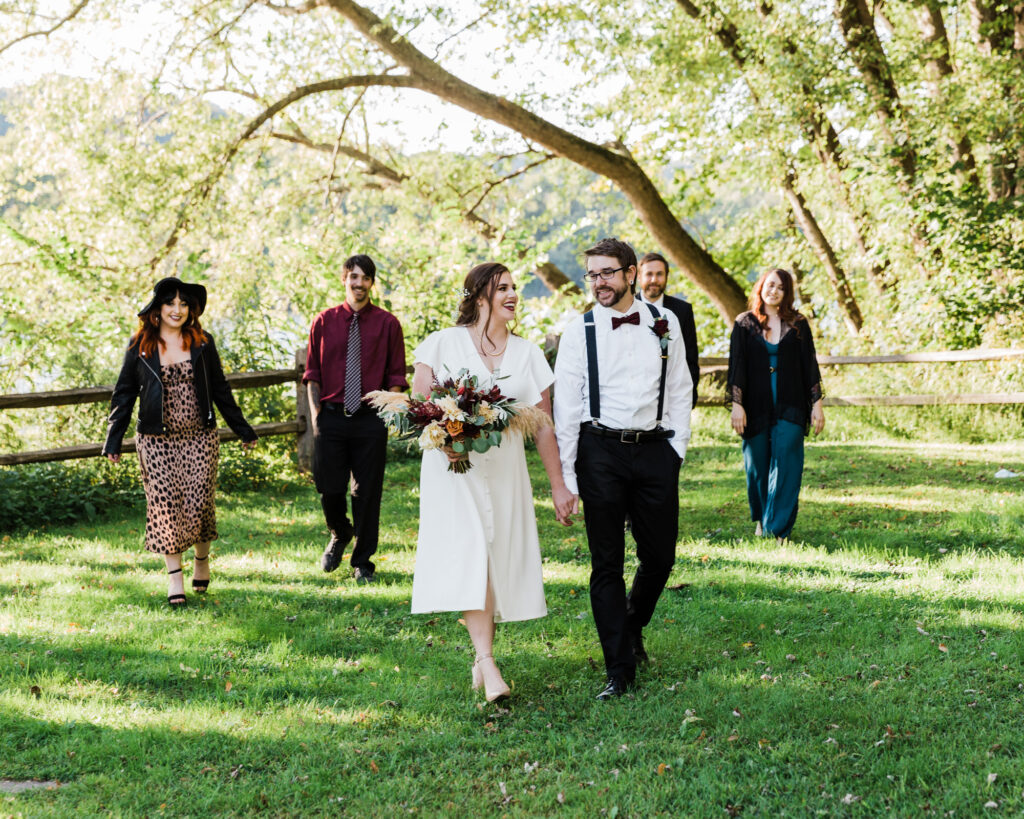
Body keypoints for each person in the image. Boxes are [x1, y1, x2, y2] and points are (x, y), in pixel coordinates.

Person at [411, 262, 576, 703]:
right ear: (479, 295)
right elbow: (420, 407)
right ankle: (487, 662)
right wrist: (443, 438)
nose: (513, 295)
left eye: (514, 288)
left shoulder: (528, 354)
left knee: (493, 555)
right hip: (453, 471)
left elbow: (543, 425)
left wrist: (558, 485)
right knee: (473, 555)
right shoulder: (441, 343)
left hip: (504, 471)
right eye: (502, 288)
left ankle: (482, 659)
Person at [553, 238, 693, 700]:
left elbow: (679, 389)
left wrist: (677, 450)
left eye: (607, 273)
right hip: (600, 451)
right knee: (606, 563)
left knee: (660, 557)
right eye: (592, 275)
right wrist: (570, 478)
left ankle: (631, 624)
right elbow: (567, 407)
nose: (599, 283)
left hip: (655, 450)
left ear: (631, 274)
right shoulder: (580, 331)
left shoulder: (664, 321)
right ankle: (619, 669)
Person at [102, 277, 257, 606]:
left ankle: (201, 559)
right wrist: (113, 439)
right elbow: (124, 394)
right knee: (166, 508)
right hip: (156, 441)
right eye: (170, 303)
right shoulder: (141, 345)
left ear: (191, 309)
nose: (177, 309)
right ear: (158, 308)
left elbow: (220, 389)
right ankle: (175, 581)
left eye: (183, 303)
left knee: (198, 504)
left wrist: (243, 429)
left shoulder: (202, 341)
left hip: (200, 437)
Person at [304, 254, 407, 584]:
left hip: (370, 419)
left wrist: (387, 415)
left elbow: (395, 375)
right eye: (353, 277)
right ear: (344, 280)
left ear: (372, 282)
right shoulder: (323, 321)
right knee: (329, 489)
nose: (359, 284)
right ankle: (340, 532)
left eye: (365, 278)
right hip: (331, 417)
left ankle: (363, 562)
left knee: (367, 493)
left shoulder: (388, 324)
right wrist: (318, 416)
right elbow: (312, 375)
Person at [727, 267, 825, 542]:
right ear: (760, 287)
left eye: (780, 287)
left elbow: (810, 366)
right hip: (754, 405)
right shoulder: (744, 323)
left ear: (786, 293)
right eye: (770, 285)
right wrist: (737, 404)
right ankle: (761, 517)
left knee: (787, 463)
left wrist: (816, 403)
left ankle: (777, 529)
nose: (774, 290)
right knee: (756, 465)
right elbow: (736, 366)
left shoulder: (798, 323)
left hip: (791, 404)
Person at [637, 252, 700, 408]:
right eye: (649, 274)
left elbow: (690, 358)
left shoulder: (683, 310)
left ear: (666, 277)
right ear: (639, 277)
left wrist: (686, 399)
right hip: (636, 396)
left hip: (672, 396)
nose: (654, 280)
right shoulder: (626, 309)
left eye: (659, 274)